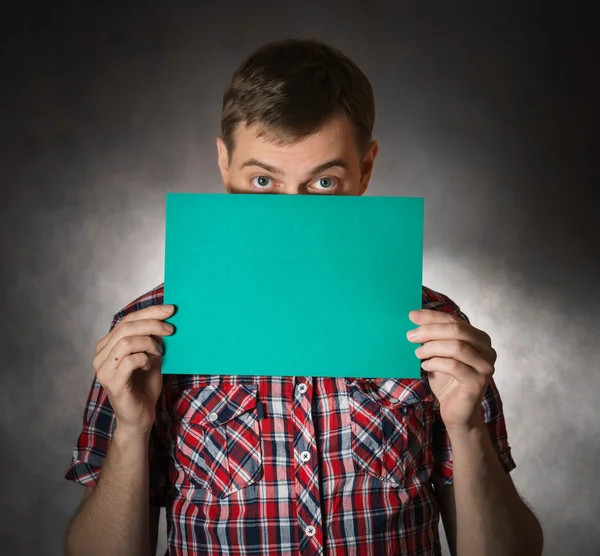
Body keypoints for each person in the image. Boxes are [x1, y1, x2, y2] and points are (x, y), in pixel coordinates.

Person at [64, 38, 543, 556]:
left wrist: (466, 428)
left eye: (323, 183)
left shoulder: (433, 327)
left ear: (366, 169)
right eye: (263, 180)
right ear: (224, 162)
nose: (290, 216)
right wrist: (131, 431)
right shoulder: (151, 330)